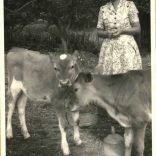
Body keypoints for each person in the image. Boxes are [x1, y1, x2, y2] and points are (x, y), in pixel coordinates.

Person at [96, 0, 142, 75]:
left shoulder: (129, 5)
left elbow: (137, 29)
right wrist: (108, 34)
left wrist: (122, 31)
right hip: (109, 51)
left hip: (127, 50)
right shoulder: (103, 9)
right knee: (110, 80)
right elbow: (99, 31)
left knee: (128, 78)